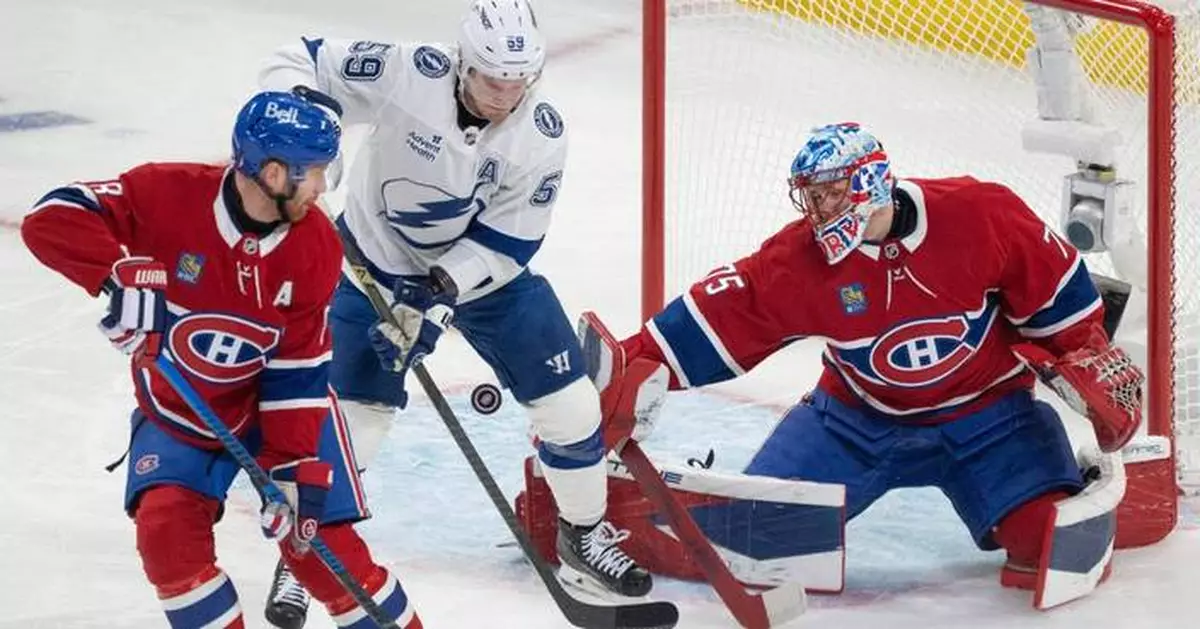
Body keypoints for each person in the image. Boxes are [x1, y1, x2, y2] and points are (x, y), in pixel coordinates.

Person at [532, 122, 1146, 605]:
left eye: (832, 192)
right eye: (812, 196)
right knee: (754, 542)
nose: (820, 210)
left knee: (1048, 548)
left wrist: (1082, 355)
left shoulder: (979, 213)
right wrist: (634, 367)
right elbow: (726, 311)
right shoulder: (801, 259)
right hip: (853, 423)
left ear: (873, 182)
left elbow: (1063, 302)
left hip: (991, 420)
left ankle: (1076, 479)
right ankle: (603, 513)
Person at [254, 0, 652, 625]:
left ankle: (582, 535)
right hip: (374, 267)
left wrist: (438, 293)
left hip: (483, 279)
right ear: (464, 64)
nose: (508, 94)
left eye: (520, 81)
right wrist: (306, 114)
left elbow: (511, 240)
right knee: (351, 427)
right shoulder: (408, 72)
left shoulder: (540, 136)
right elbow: (300, 60)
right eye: (496, 79)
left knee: (571, 403)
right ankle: (306, 554)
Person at [21, 90, 421, 629]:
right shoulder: (166, 192)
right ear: (274, 175)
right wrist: (114, 272)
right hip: (182, 412)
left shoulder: (315, 245)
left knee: (325, 553)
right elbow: (50, 216)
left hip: (281, 409)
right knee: (167, 535)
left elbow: (297, 370)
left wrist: (290, 467)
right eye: (315, 173)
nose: (324, 187)